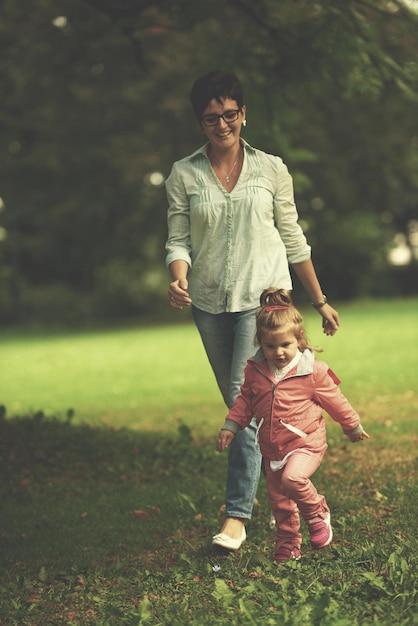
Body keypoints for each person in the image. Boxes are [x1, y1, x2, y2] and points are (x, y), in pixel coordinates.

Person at [165, 70, 340, 551]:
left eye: (229, 114)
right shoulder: (184, 173)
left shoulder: (271, 169)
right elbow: (178, 238)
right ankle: (295, 481)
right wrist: (178, 277)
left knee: (246, 403)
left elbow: (293, 236)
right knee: (245, 409)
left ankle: (236, 518)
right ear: (199, 122)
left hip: (263, 301)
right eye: (210, 118)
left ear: (243, 113)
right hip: (207, 303)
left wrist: (319, 300)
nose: (221, 124)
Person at [216, 288, 369, 562]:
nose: (279, 352)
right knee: (280, 501)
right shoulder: (255, 370)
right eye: (270, 346)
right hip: (272, 448)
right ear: (260, 344)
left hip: (306, 443)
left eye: (285, 345)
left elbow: (335, 400)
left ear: (298, 340)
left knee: (293, 479)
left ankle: (317, 512)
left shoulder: (312, 371)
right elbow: (245, 401)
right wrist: (231, 425)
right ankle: (288, 544)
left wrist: (352, 425)